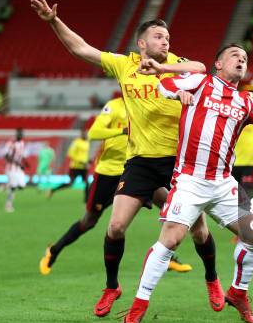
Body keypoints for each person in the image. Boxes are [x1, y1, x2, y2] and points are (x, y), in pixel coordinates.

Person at [31, 0, 216, 317]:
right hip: (140, 162)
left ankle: (212, 279)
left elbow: (200, 67)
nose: (165, 41)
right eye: (159, 37)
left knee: (198, 230)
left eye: (168, 37)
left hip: (178, 164)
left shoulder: (177, 65)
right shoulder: (124, 65)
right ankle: (112, 286)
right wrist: (52, 21)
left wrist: (164, 66)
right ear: (141, 42)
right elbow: (81, 49)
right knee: (115, 226)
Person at [122, 44, 253, 323]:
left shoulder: (245, 102)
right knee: (171, 239)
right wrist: (176, 92)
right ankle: (139, 304)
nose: (241, 60)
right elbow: (165, 85)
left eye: (245, 58)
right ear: (218, 63)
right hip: (190, 180)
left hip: (223, 183)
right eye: (234, 56)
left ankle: (238, 292)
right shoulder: (200, 81)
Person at [39, 96, 190, 274]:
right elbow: (93, 133)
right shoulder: (113, 106)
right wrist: (123, 130)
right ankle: (53, 251)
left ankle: (166, 257)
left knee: (171, 207)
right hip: (109, 173)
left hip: (137, 171)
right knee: (89, 221)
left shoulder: (147, 104)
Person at [48, 129, 89, 199]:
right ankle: (53, 189)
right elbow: (70, 153)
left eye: (86, 134)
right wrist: (79, 161)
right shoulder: (76, 142)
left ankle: (86, 200)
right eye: (84, 134)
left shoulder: (87, 143)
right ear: (81, 134)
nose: (85, 135)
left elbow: (85, 155)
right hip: (75, 167)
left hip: (83, 167)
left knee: (87, 184)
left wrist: (87, 161)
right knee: (70, 183)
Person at [4, 128, 27, 213]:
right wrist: (17, 163)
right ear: (16, 134)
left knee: (22, 186)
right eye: (19, 133)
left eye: (21, 133)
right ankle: (8, 204)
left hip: (19, 169)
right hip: (11, 169)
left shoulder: (22, 143)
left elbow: (21, 155)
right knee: (13, 187)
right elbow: (6, 156)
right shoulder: (11, 144)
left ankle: (7, 186)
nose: (20, 135)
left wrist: (25, 163)